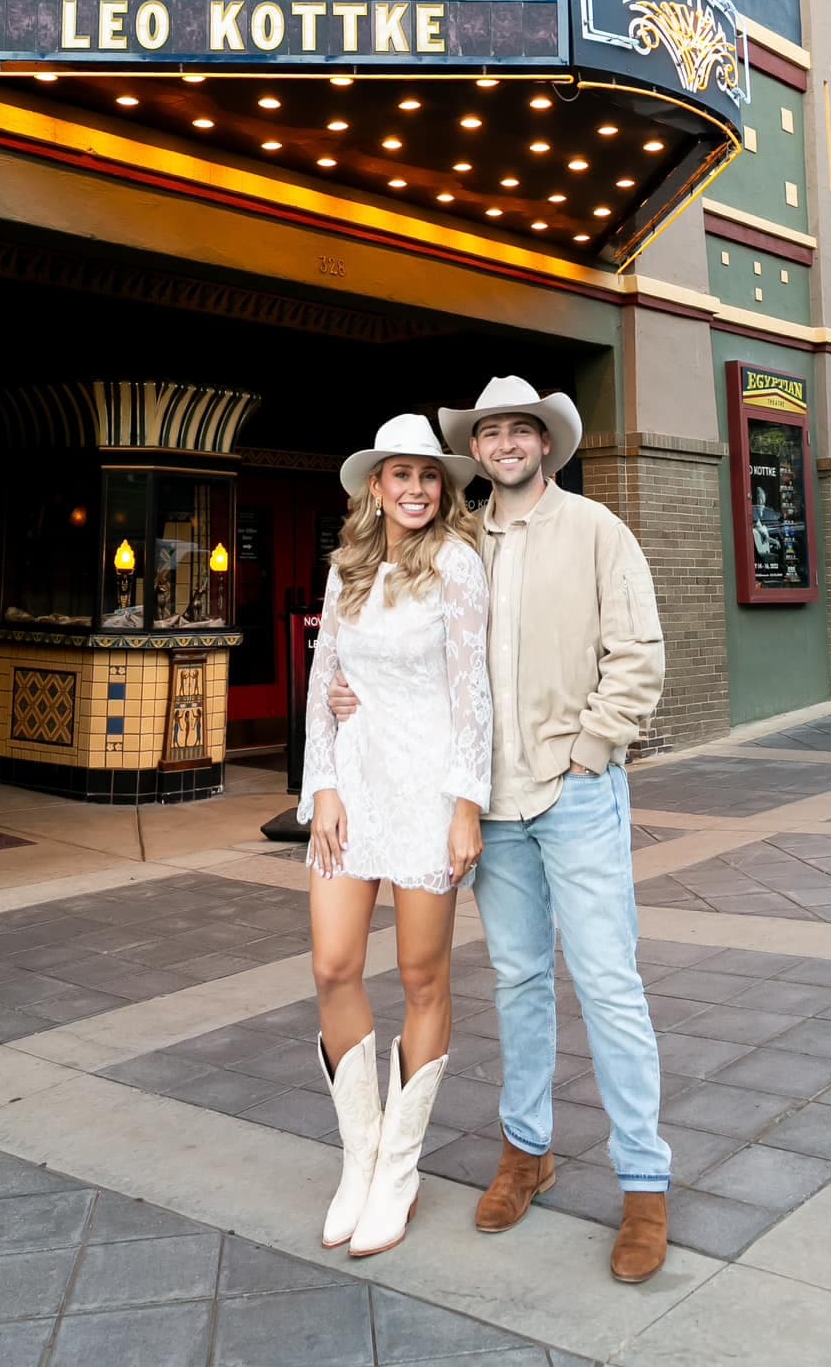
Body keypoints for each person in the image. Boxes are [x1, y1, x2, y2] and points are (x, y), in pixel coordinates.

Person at [329, 375, 671, 1284]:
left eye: (523, 431)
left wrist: (592, 753)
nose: (507, 444)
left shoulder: (600, 531)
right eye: (491, 433)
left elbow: (639, 655)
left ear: (546, 446)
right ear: (473, 452)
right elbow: (405, 648)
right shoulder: (454, 541)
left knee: (608, 983)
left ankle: (644, 1186)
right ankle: (528, 1153)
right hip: (490, 809)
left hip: (575, 795)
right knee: (517, 981)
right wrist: (348, 693)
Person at [298, 413, 492, 1260]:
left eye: (427, 477)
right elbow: (322, 686)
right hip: (357, 784)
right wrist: (326, 786)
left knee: (421, 974)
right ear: (374, 486)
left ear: (441, 488)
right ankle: (361, 1156)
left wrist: (465, 805)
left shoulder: (457, 564)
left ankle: (401, 1170)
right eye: (399, 475)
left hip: (427, 789)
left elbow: (472, 692)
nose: (414, 490)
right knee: (333, 964)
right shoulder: (347, 568)